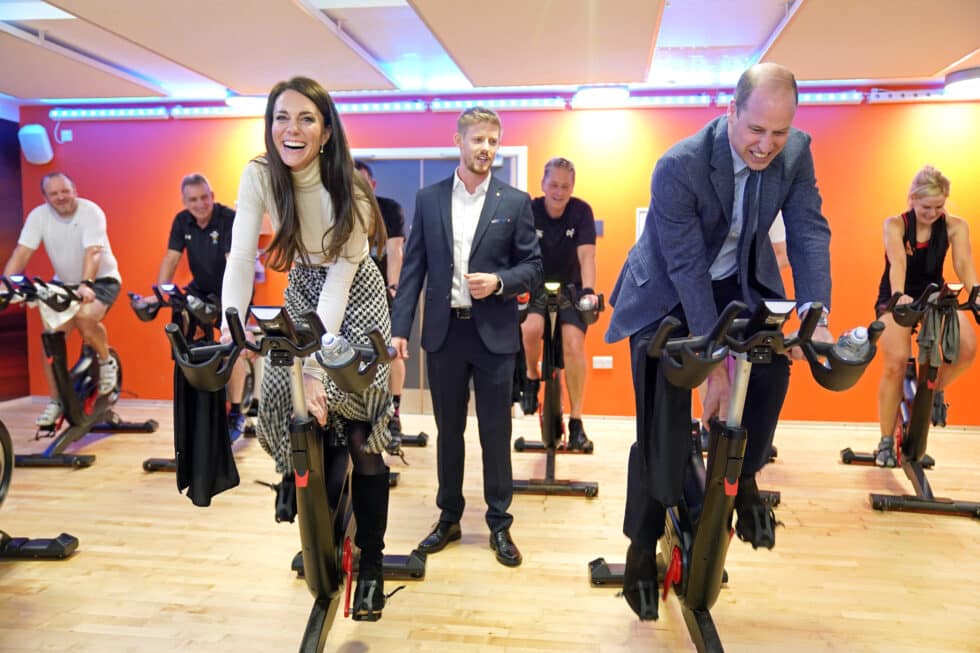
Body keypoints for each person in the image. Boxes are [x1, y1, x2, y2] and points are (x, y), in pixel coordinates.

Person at [604, 63, 833, 620]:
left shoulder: (796, 153)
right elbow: (684, 266)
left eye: (779, 133)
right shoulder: (680, 165)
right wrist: (714, 368)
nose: (767, 145)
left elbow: (807, 231)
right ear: (731, 112)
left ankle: (745, 476)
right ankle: (640, 549)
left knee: (773, 365)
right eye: (756, 130)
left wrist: (816, 314)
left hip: (739, 281)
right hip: (666, 292)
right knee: (662, 431)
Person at [220, 76, 393, 621]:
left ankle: (372, 563)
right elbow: (239, 254)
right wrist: (232, 329)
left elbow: (341, 285)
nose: (290, 130)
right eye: (280, 118)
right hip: (302, 285)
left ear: (325, 131)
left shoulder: (352, 192)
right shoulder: (258, 175)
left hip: (355, 293)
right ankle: (305, 496)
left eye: (305, 119)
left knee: (362, 430)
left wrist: (317, 367)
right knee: (283, 399)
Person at [390, 107, 541, 567]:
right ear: (458, 141)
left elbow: (533, 267)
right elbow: (413, 268)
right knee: (448, 432)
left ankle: (500, 524)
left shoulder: (515, 202)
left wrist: (499, 283)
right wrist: (399, 330)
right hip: (444, 335)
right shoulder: (429, 199)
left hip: (494, 336)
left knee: (496, 434)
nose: (486, 149)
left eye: (493, 141)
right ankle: (448, 517)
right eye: (478, 140)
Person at [872, 165, 977, 467]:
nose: (933, 213)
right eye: (926, 207)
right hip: (898, 294)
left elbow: (963, 262)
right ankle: (884, 441)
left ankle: (931, 393)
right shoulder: (896, 224)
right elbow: (897, 263)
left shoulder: (955, 225)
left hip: (934, 293)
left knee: (966, 351)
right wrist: (899, 295)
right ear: (913, 200)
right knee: (894, 362)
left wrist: (977, 293)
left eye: (939, 206)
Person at [3, 172, 122, 427]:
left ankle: (106, 360)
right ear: (46, 197)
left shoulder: (91, 212)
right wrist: (6, 285)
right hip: (64, 282)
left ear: (74, 189)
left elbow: (93, 252)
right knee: (51, 337)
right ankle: (56, 401)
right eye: (54, 193)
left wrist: (86, 283)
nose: (61, 197)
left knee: (85, 316)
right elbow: (22, 252)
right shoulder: (39, 216)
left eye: (65, 191)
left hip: (101, 280)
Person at [151, 173, 248, 440]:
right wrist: (160, 292)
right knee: (183, 331)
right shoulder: (182, 221)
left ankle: (237, 411)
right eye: (193, 199)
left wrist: (228, 306)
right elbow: (171, 258)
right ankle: (198, 401)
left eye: (204, 197)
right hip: (201, 287)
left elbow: (233, 264)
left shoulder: (228, 219)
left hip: (231, 288)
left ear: (212, 196)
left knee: (232, 346)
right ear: (185, 201)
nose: (200, 204)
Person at [519, 157, 598, 451]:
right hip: (535, 284)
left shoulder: (581, 212)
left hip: (571, 288)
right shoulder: (530, 209)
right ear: (543, 184)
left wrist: (589, 291)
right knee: (530, 330)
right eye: (553, 184)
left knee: (573, 345)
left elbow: (587, 256)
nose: (559, 191)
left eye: (565, 186)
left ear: (572, 187)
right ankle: (530, 376)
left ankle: (576, 421)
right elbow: (517, 250)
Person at [353, 160, 408, 450]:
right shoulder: (342, 211)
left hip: (385, 291)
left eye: (362, 184)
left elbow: (395, 250)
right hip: (351, 295)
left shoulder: (390, 209)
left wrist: (393, 287)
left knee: (392, 352)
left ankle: (394, 413)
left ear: (372, 185)